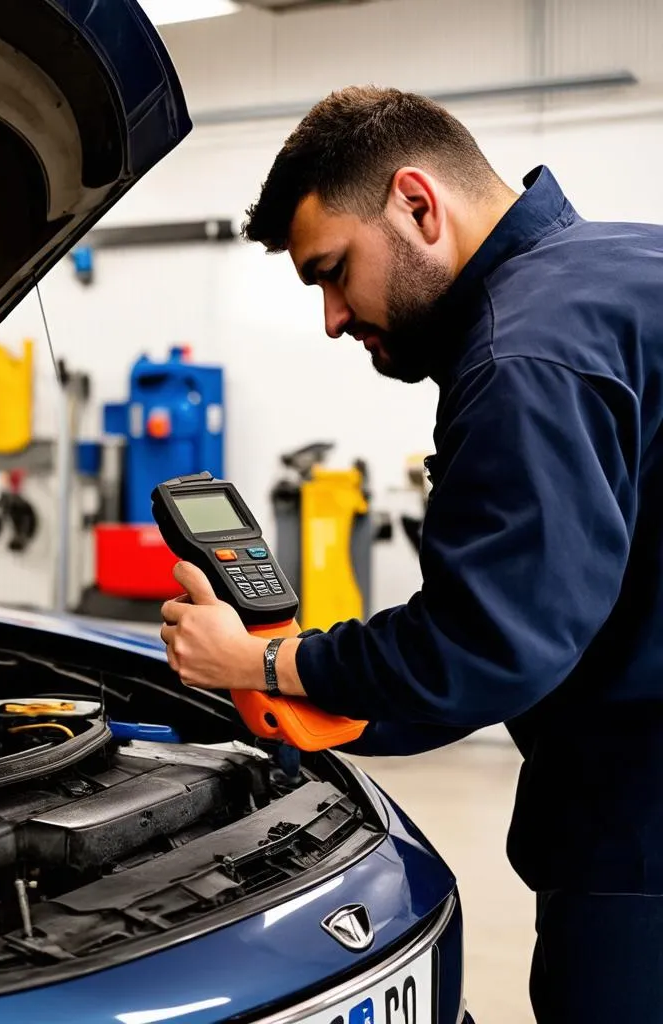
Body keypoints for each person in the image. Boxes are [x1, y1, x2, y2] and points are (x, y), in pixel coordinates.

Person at [158, 86, 663, 1022]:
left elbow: (482, 647)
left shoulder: (524, 355)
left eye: (334, 271)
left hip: (643, 842)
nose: (333, 318)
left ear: (417, 205)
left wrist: (265, 659)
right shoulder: (636, 264)